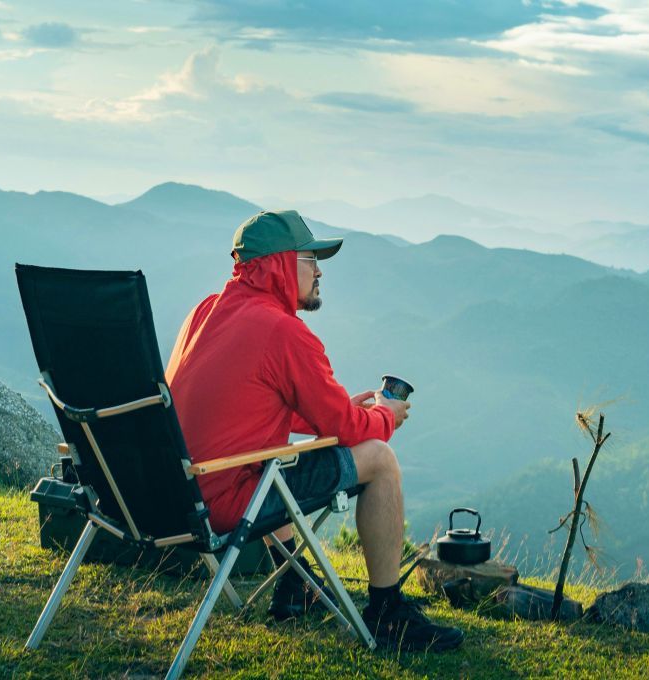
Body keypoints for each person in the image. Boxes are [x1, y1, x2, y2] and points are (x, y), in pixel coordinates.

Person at [165, 210, 465, 652]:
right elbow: (346, 430)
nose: (320, 270)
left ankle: (293, 587)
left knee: (274, 453)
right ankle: (386, 612)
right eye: (311, 259)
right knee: (379, 460)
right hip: (224, 502)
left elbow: (245, 402)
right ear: (281, 263)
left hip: (171, 497)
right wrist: (384, 417)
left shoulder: (206, 312)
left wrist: (337, 409)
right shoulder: (283, 331)